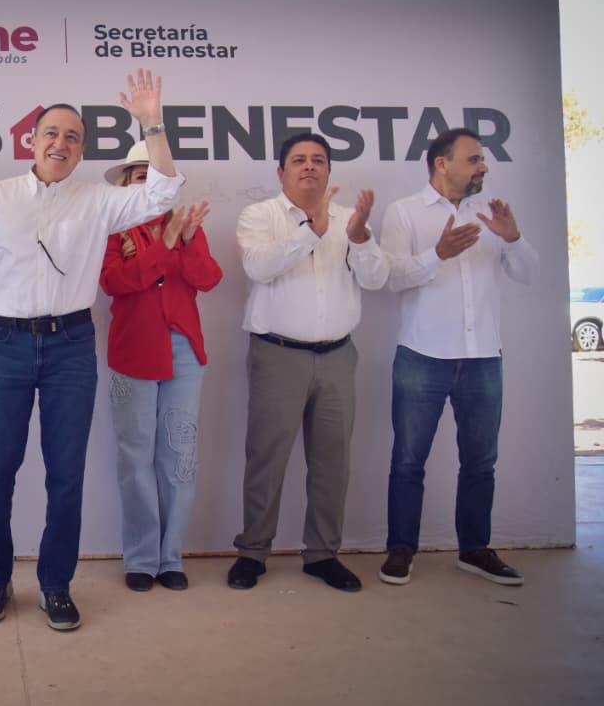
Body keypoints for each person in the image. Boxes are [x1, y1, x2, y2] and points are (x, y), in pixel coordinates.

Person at [0, 69, 181, 631]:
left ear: (81, 150)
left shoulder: (100, 200)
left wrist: (152, 122)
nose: (61, 143)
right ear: (31, 140)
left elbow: (163, 192)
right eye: (51, 133)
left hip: (71, 347)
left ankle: (56, 585)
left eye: (73, 137)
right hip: (5, 345)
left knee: (65, 474)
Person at [228, 133, 387, 593]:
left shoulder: (350, 220)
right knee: (267, 458)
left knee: (332, 461)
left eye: (319, 160)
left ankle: (322, 555)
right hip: (278, 355)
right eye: (299, 160)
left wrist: (361, 240)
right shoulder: (259, 216)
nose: (310, 166)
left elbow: (375, 279)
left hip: (337, 356)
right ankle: (252, 552)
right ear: (281, 172)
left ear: (329, 171)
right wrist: (310, 231)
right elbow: (258, 267)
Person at [378, 128, 538, 586]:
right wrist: (437, 254)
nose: (483, 167)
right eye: (473, 159)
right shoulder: (405, 212)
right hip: (422, 355)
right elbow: (391, 278)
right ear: (442, 163)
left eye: (482, 159)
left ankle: (475, 549)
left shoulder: (491, 214)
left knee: (481, 462)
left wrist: (513, 238)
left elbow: (529, 274)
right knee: (408, 461)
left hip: (483, 356)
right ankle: (401, 549)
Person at [99, 142, 221, 592]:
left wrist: (184, 241)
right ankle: (141, 558)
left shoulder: (185, 225)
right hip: (132, 352)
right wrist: (163, 247)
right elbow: (113, 282)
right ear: (127, 184)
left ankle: (171, 558)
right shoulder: (112, 228)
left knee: (179, 456)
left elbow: (208, 278)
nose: (148, 181)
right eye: (139, 174)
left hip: (184, 352)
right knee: (135, 456)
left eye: (154, 175)